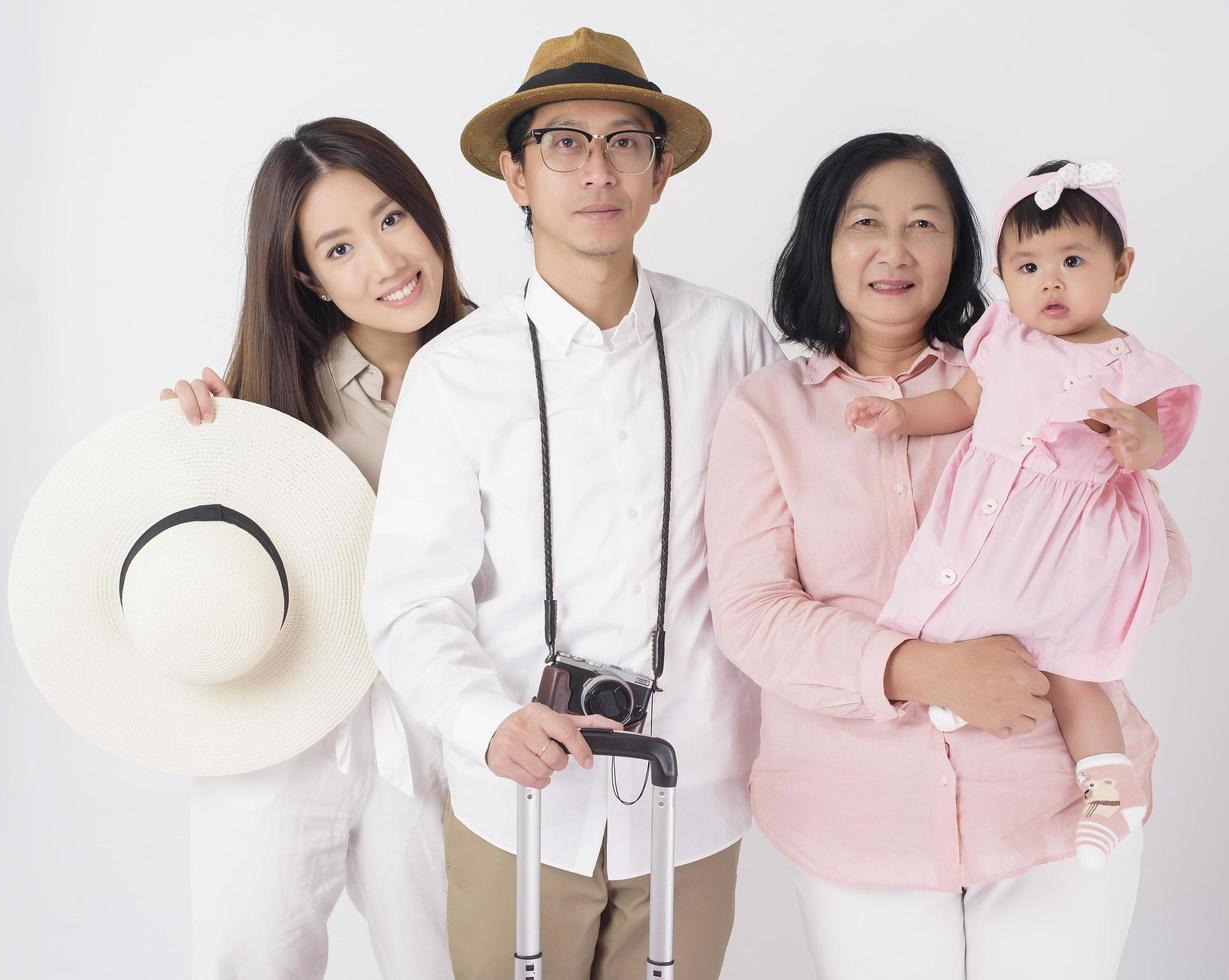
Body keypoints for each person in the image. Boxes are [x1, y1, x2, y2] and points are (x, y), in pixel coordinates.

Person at [704, 134, 1191, 980]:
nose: (895, 250)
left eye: (925, 225)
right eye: (866, 223)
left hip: (1052, 792)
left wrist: (1120, 464)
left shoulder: (1035, 377)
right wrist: (920, 669)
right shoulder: (765, 411)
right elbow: (751, 614)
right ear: (823, 243)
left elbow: (1161, 578)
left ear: (966, 256)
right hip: (858, 810)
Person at [362, 27, 781, 979]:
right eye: (563, 142)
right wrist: (483, 721)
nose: (597, 169)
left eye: (625, 141)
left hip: (695, 789)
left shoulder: (732, 340)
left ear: (660, 172)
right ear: (516, 175)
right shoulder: (455, 372)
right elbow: (408, 599)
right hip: (519, 803)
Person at [160, 116, 466, 979]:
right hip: (280, 730)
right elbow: (192, 574)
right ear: (305, 276)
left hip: (437, 732)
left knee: (450, 960)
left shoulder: (506, 369)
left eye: (392, 219)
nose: (384, 261)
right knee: (254, 956)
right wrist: (188, 449)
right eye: (338, 249)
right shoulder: (264, 404)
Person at [845, 159, 1200, 869]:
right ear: (1005, 280)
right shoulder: (1003, 338)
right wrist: (900, 415)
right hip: (991, 518)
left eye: (1073, 260)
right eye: (1029, 265)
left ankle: (1109, 786)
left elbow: (1164, 440)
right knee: (946, 610)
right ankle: (948, 703)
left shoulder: (1131, 364)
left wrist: (1140, 439)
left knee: (1074, 667)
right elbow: (962, 406)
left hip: (1074, 537)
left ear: (1121, 267)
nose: (1052, 281)